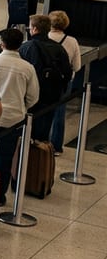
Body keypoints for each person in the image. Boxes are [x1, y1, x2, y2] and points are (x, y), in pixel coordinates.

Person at [0, 27, 39, 207]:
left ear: (2, 43)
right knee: (5, 158)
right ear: (20, 45)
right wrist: (22, 107)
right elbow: (33, 96)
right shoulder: (27, 68)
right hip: (13, 119)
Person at [19, 13, 73, 145]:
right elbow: (67, 73)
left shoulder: (26, 47)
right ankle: (41, 153)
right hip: (50, 96)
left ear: (34, 29)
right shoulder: (59, 48)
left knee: (26, 131)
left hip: (28, 97)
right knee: (44, 131)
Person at [47, 11, 82, 153]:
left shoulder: (44, 38)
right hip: (64, 81)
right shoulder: (72, 41)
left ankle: (40, 143)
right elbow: (77, 66)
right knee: (59, 113)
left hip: (45, 80)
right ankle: (56, 146)